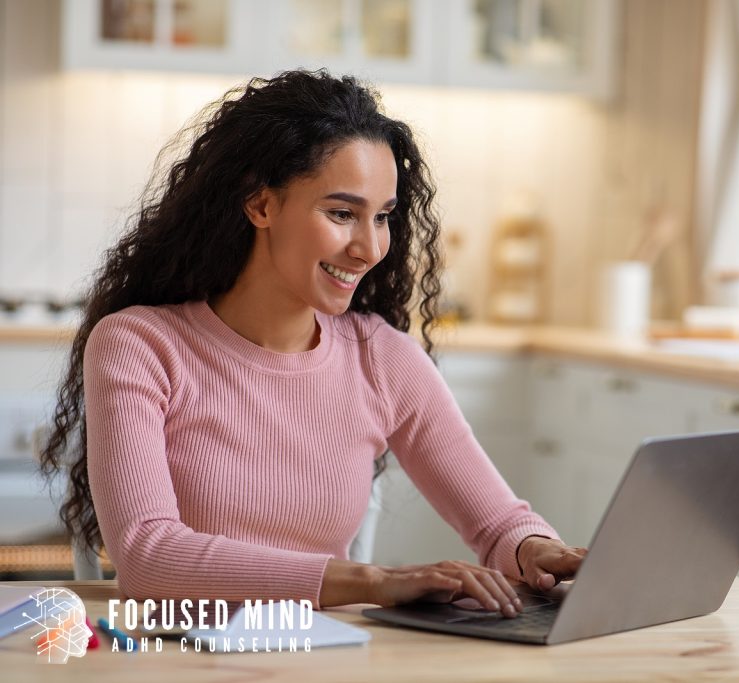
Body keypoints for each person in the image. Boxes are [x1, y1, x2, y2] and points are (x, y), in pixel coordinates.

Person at [39, 69, 586, 618]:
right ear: (261, 205)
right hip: (180, 659)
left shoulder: (383, 358)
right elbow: (148, 558)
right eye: (342, 213)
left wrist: (535, 549)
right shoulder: (141, 345)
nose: (369, 247)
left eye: (383, 217)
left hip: (328, 656)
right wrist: (372, 582)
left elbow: (496, 523)